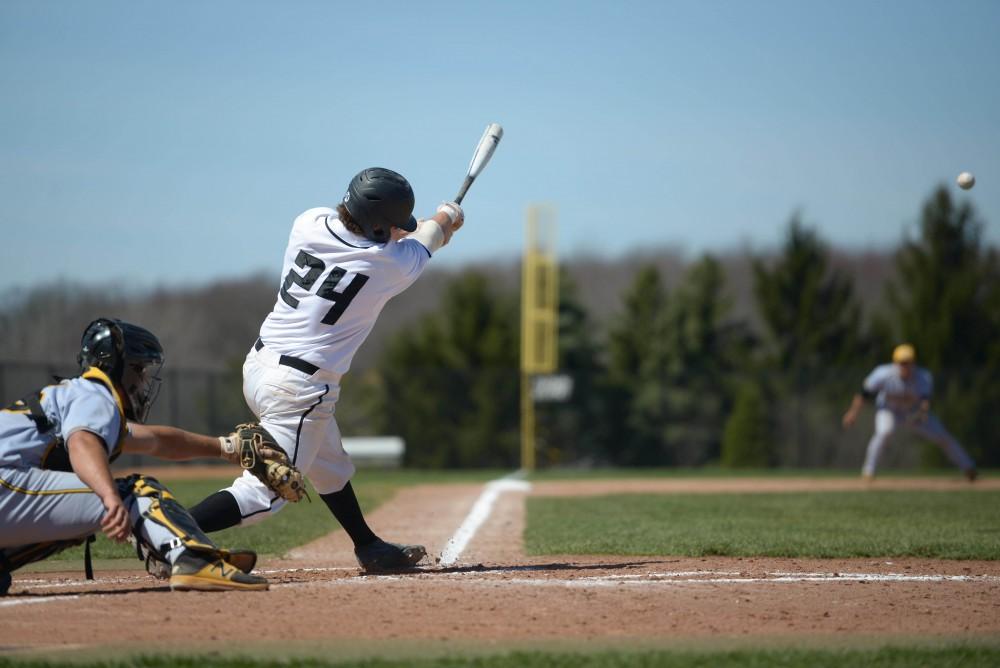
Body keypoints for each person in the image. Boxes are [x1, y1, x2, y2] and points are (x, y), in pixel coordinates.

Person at [188, 167, 464, 571]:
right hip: (299, 388)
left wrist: (432, 225)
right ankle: (168, 531)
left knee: (329, 464)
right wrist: (446, 217)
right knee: (266, 494)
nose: (394, 231)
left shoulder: (309, 221)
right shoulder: (389, 264)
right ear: (375, 225)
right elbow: (427, 237)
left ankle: (368, 545)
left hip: (260, 366)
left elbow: (405, 237)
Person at [0, 318, 272, 595]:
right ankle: (193, 558)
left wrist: (226, 447)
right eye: (140, 368)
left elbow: (156, 442)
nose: (144, 380)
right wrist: (109, 496)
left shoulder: (77, 398)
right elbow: (83, 443)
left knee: (82, 523)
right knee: (136, 491)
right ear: (120, 367)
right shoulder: (95, 394)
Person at [842, 343, 977, 481]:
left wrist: (923, 412)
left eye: (908, 362)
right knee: (884, 432)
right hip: (888, 410)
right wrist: (853, 413)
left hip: (912, 412)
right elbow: (864, 394)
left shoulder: (923, 377)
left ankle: (968, 467)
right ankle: (868, 471)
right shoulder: (882, 373)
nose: (905, 366)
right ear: (895, 362)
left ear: (913, 362)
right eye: (901, 362)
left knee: (942, 436)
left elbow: (925, 401)